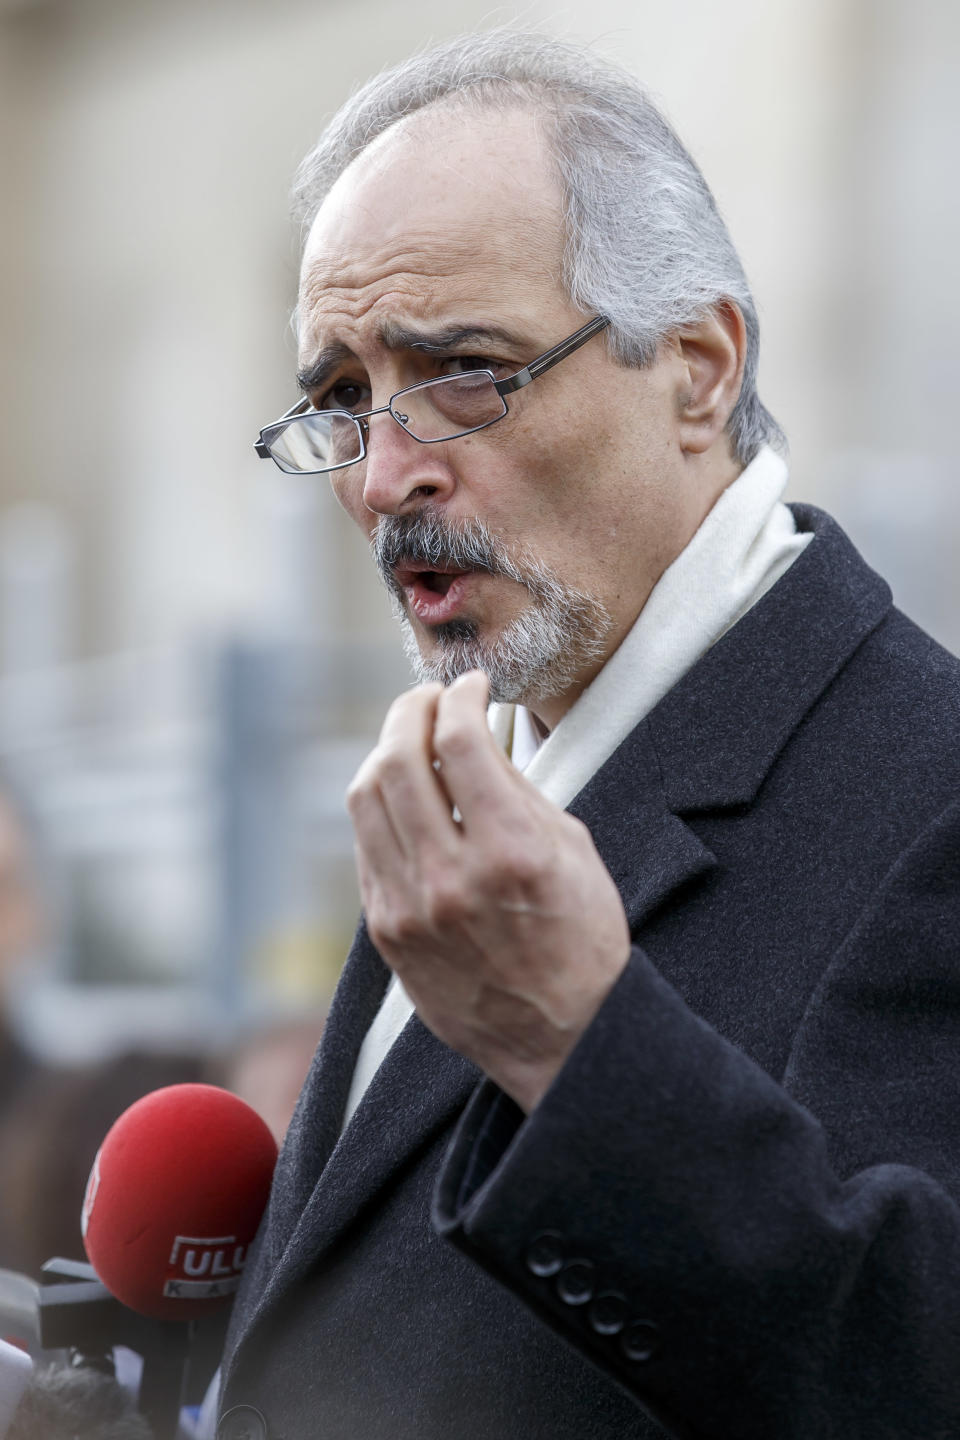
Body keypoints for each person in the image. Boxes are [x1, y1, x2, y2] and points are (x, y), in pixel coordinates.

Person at [218, 30, 960, 1440]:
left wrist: (576, 1043)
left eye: (465, 371)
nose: (384, 475)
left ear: (696, 364)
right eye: (338, 400)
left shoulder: (930, 798)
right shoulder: (488, 758)